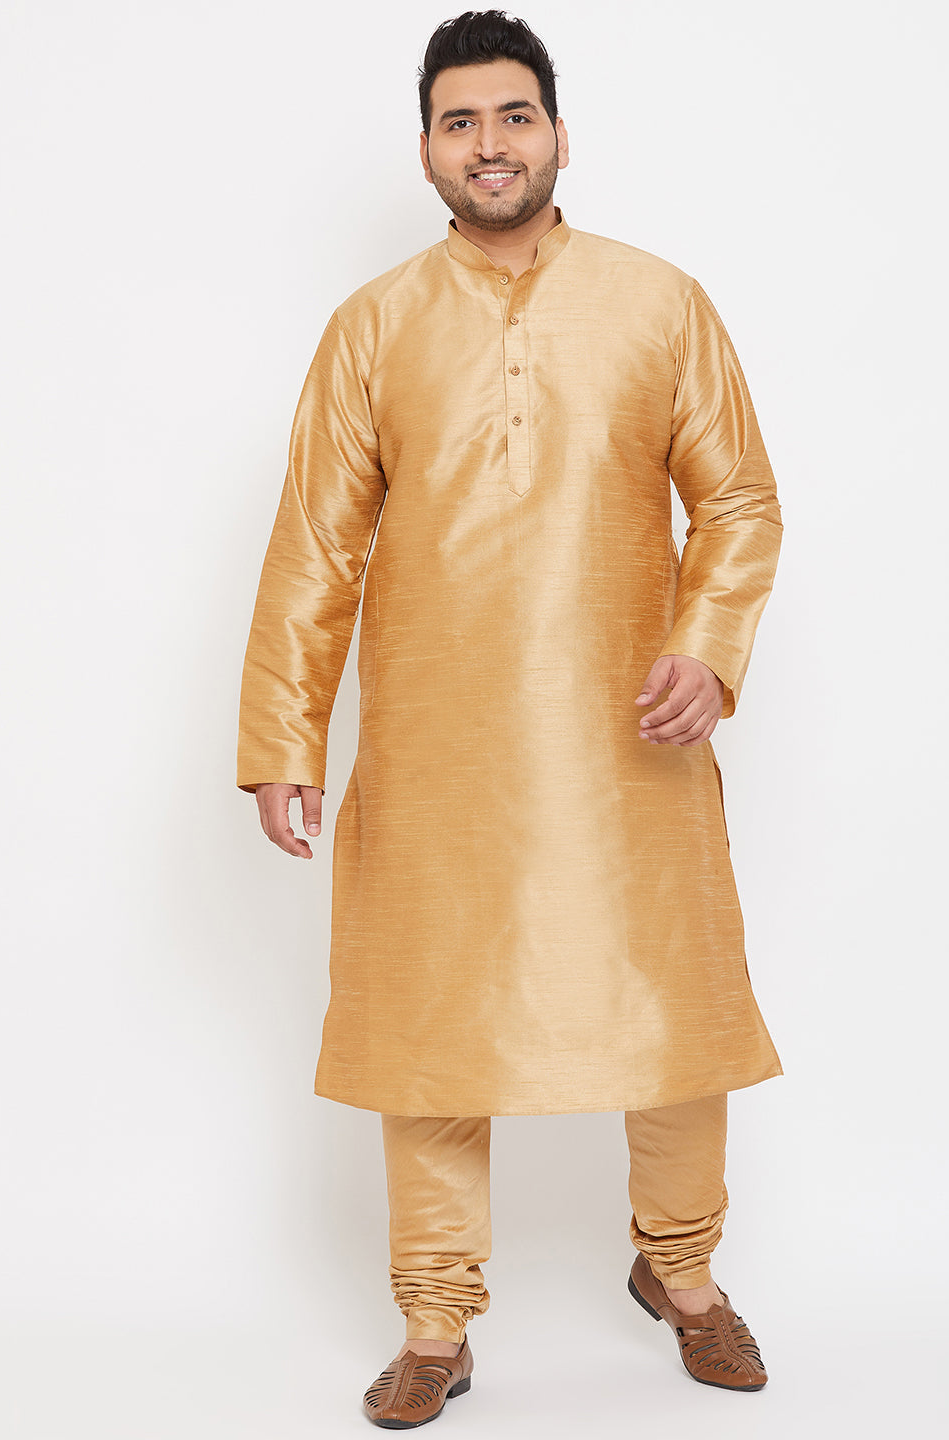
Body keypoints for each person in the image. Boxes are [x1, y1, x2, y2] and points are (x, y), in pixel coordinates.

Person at [237, 10, 783, 1428]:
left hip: (632, 741)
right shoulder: (372, 327)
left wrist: (709, 648)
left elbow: (737, 499)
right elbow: (315, 549)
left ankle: (685, 1275)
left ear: (559, 135)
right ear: (427, 150)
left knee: (674, 1016)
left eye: (514, 115)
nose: (490, 144)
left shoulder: (659, 302)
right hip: (436, 750)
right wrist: (285, 742)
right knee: (429, 1021)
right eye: (460, 121)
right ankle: (436, 1321)